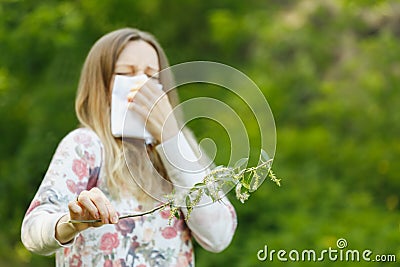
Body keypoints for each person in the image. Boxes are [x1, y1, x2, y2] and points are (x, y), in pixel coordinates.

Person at [21, 28, 237, 267]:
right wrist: (71, 223)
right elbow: (32, 232)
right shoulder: (86, 145)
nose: (142, 85)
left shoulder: (181, 144)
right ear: (101, 85)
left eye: (151, 75)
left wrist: (170, 138)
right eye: (127, 73)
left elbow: (218, 236)